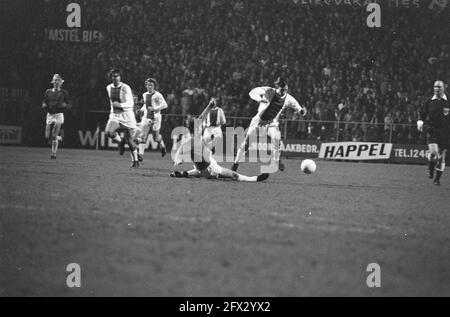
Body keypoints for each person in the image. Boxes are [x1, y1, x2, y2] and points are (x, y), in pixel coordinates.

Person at [171, 101, 269, 182]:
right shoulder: (191, 138)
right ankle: (255, 179)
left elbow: (201, 117)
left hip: (205, 164)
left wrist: (209, 107)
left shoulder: (193, 134)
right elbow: (182, 148)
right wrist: (178, 159)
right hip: (210, 169)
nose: (199, 121)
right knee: (233, 175)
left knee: (200, 170)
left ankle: (184, 173)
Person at [232, 77, 307, 172]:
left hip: (272, 123)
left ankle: (277, 160)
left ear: (286, 88)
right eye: (281, 87)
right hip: (259, 121)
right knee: (246, 144)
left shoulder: (289, 99)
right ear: (277, 86)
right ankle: (235, 164)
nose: (283, 90)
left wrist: (303, 112)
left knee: (277, 142)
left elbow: (300, 110)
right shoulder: (269, 91)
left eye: (285, 88)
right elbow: (252, 92)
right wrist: (259, 99)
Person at [105, 68, 139, 168]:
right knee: (108, 132)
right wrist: (112, 112)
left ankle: (135, 161)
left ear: (120, 77)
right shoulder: (108, 87)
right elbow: (112, 103)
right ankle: (120, 142)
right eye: (113, 76)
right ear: (111, 77)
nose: (115, 78)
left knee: (130, 141)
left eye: (117, 76)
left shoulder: (125, 87)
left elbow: (131, 103)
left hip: (127, 116)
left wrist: (119, 105)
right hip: (115, 116)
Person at [417, 80, 450, 185]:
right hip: (432, 130)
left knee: (442, 155)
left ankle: (437, 179)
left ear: (443, 88)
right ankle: (431, 169)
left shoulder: (448, 100)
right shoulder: (429, 101)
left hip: (445, 132)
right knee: (434, 153)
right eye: (435, 86)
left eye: (439, 87)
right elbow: (422, 113)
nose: (436, 89)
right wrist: (420, 122)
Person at [135, 78, 168, 162]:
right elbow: (146, 105)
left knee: (156, 138)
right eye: (148, 85)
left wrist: (155, 108)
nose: (149, 86)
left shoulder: (158, 95)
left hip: (156, 117)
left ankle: (162, 145)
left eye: (151, 85)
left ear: (154, 86)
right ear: (146, 85)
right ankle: (141, 155)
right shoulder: (144, 94)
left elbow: (165, 105)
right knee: (143, 135)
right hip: (147, 117)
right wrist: (141, 110)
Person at [42, 74, 70, 159]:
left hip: (59, 115)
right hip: (50, 114)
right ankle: (60, 138)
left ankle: (53, 154)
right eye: (55, 80)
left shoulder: (64, 92)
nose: (57, 82)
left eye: (58, 80)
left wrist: (65, 106)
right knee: (47, 136)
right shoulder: (48, 91)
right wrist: (44, 105)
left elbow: (69, 104)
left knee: (53, 135)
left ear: (61, 82)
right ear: (52, 81)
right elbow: (44, 102)